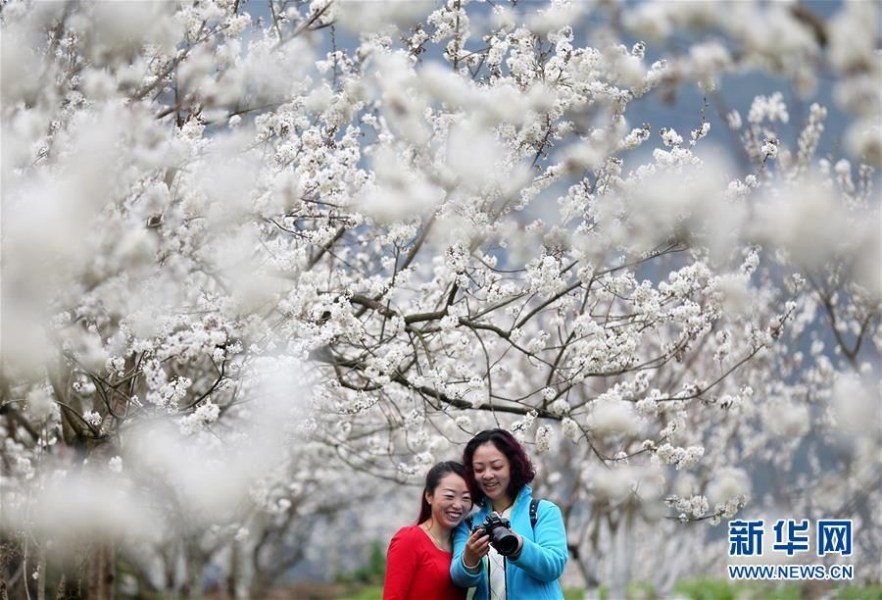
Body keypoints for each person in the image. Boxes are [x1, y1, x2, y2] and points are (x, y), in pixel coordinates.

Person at [450, 428, 568, 600]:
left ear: (513, 466)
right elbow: (460, 579)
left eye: (496, 466)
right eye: (479, 469)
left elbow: (553, 567)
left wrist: (518, 545)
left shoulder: (542, 512)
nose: (488, 475)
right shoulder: (468, 524)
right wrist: (469, 557)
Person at [383, 461, 473, 600]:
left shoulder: (462, 546)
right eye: (449, 496)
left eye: (466, 498)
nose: (458, 505)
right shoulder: (409, 539)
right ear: (429, 496)